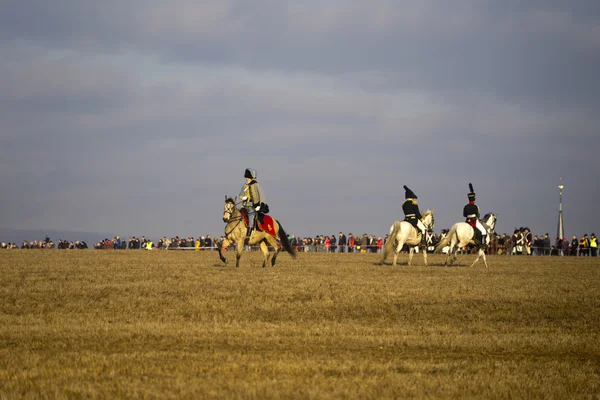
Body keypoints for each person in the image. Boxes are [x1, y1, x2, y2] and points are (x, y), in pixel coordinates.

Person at [239, 168, 268, 241]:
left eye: (248, 177)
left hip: (253, 206)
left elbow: (261, 195)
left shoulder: (256, 185)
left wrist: (260, 205)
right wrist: (243, 197)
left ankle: (248, 236)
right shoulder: (244, 186)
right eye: (246, 177)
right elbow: (240, 195)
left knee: (251, 218)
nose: (246, 179)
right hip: (244, 205)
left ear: (251, 178)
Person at [463, 183, 487, 247]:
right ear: (474, 199)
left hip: (467, 221)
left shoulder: (465, 206)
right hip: (474, 221)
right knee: (483, 230)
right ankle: (482, 243)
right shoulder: (476, 206)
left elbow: (464, 215)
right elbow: (478, 215)